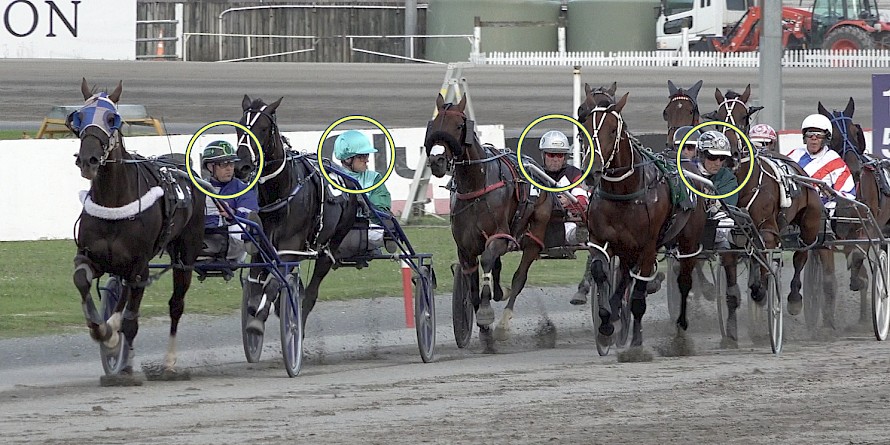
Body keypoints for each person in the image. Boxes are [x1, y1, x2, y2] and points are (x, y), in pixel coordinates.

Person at [333, 130, 396, 253]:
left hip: (365, 230)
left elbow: (382, 211)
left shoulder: (374, 179)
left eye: (367, 155)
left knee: (388, 228)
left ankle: (386, 239)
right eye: (362, 157)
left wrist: (365, 204)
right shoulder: (331, 177)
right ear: (347, 159)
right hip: (335, 231)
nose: (366, 160)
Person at [785, 114, 855, 215]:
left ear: (826, 137)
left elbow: (849, 195)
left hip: (822, 216)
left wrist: (830, 194)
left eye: (819, 135)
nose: (814, 138)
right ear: (805, 137)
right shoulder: (794, 155)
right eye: (810, 134)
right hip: (793, 211)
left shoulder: (835, 161)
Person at [201, 140, 259, 262]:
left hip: (231, 244)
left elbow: (250, 215)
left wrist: (232, 213)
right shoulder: (199, 187)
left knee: (240, 227)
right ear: (210, 166)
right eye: (223, 164)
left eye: (231, 164)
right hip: (202, 236)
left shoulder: (242, 189)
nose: (229, 169)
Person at [539, 130, 589, 243]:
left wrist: (569, 202)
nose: (555, 159)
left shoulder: (575, 174)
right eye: (551, 155)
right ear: (543, 155)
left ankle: (576, 236)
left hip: (566, 222)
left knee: (570, 229)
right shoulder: (535, 173)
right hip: (538, 223)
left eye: (560, 155)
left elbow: (583, 200)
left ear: (565, 157)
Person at [696, 131, 739, 249]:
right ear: (701, 155)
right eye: (713, 157)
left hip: (714, 225)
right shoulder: (687, 172)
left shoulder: (728, 178)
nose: (718, 163)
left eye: (722, 158)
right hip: (688, 221)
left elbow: (726, 206)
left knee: (725, 226)